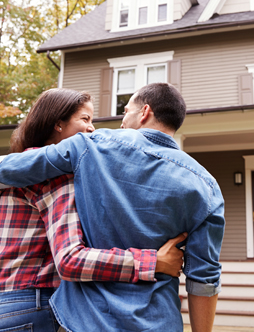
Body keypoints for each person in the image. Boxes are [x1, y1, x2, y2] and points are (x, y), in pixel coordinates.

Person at [0, 83, 225, 332]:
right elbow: (204, 279)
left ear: (144, 112)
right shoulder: (207, 186)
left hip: (90, 321)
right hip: (159, 321)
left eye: (125, 112)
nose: (121, 122)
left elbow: (14, 166)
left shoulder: (90, 145)